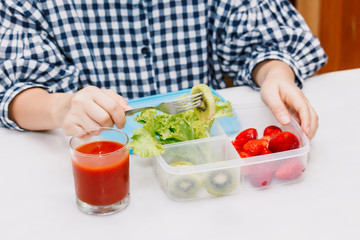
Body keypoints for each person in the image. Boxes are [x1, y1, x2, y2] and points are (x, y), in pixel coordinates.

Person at [0, 0, 327, 139]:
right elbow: (13, 88)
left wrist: (275, 74)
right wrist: (59, 107)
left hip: (207, 156)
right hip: (102, 158)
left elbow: (267, 34)